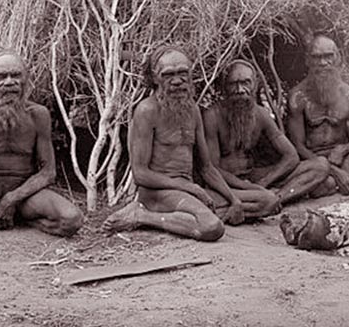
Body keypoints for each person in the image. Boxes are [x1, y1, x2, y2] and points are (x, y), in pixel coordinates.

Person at [102, 45, 244, 241]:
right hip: (158, 193)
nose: (177, 81)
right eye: (168, 75)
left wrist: (233, 199)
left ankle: (188, 217)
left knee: (266, 202)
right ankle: (143, 215)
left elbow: (206, 167)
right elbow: (140, 174)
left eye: (183, 73)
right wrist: (190, 188)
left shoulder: (192, 109)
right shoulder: (147, 111)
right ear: (154, 77)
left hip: (186, 190)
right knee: (212, 228)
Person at [0, 49, 83, 239]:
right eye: (1, 76)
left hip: (23, 195)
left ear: (26, 78)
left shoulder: (38, 114)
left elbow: (48, 173)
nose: (9, 82)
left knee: (72, 220)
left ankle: (18, 218)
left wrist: (11, 199)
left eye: (15, 75)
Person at [202, 59, 330, 217]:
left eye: (245, 83)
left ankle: (276, 200)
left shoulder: (261, 114)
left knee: (320, 166)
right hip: (226, 186)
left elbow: (291, 156)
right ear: (224, 87)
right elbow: (212, 169)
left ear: (254, 85)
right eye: (233, 84)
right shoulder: (212, 117)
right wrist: (249, 188)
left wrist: (263, 183)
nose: (240, 90)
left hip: (254, 178)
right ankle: (264, 202)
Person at [286, 33, 349, 196]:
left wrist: (343, 149)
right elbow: (297, 147)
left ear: (337, 58)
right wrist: (332, 170)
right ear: (308, 60)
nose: (323, 63)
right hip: (313, 161)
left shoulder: (348, 95)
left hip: (344, 157)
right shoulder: (298, 97)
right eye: (317, 57)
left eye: (328, 57)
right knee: (327, 184)